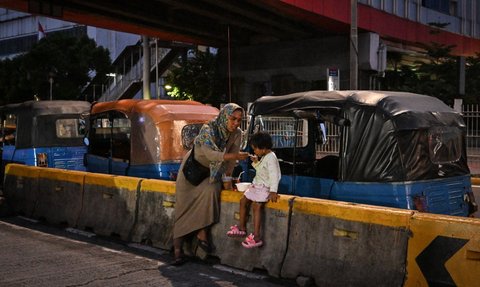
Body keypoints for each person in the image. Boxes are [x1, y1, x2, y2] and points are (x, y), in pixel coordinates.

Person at [172, 103, 249, 266]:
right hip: (191, 171)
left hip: (211, 172)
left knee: (213, 191)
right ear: (224, 116)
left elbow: (231, 162)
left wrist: (228, 178)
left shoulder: (237, 134)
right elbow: (210, 154)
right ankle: (177, 251)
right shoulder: (208, 129)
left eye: (239, 120)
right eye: (232, 118)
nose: (235, 123)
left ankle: (202, 232)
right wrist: (234, 155)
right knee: (183, 209)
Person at [226, 131, 281, 248]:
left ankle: (256, 236)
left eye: (255, 149)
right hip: (257, 185)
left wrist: (273, 191)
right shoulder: (265, 156)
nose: (254, 151)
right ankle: (241, 227)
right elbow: (262, 170)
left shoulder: (271, 158)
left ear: (264, 148)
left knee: (257, 206)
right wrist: (256, 162)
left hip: (264, 187)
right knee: (243, 200)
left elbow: (274, 175)